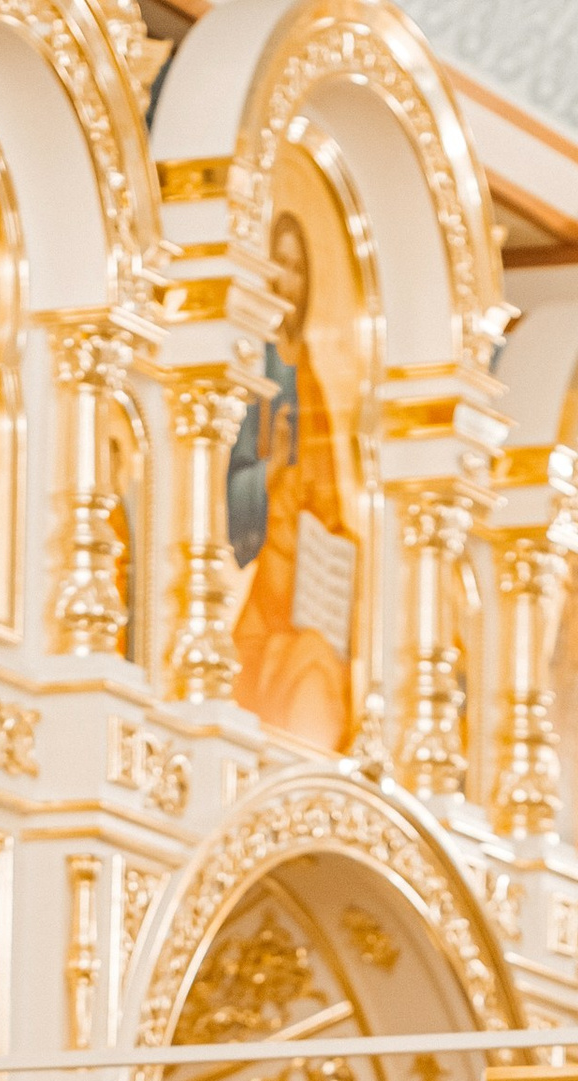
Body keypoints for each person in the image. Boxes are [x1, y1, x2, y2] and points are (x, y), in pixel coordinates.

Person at [228, 207, 355, 748]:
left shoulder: (311, 376)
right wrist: (271, 470)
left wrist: (340, 543)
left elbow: (328, 498)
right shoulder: (250, 362)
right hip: (261, 571)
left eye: (299, 267)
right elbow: (227, 490)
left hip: (305, 576)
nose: (287, 278)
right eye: (278, 263)